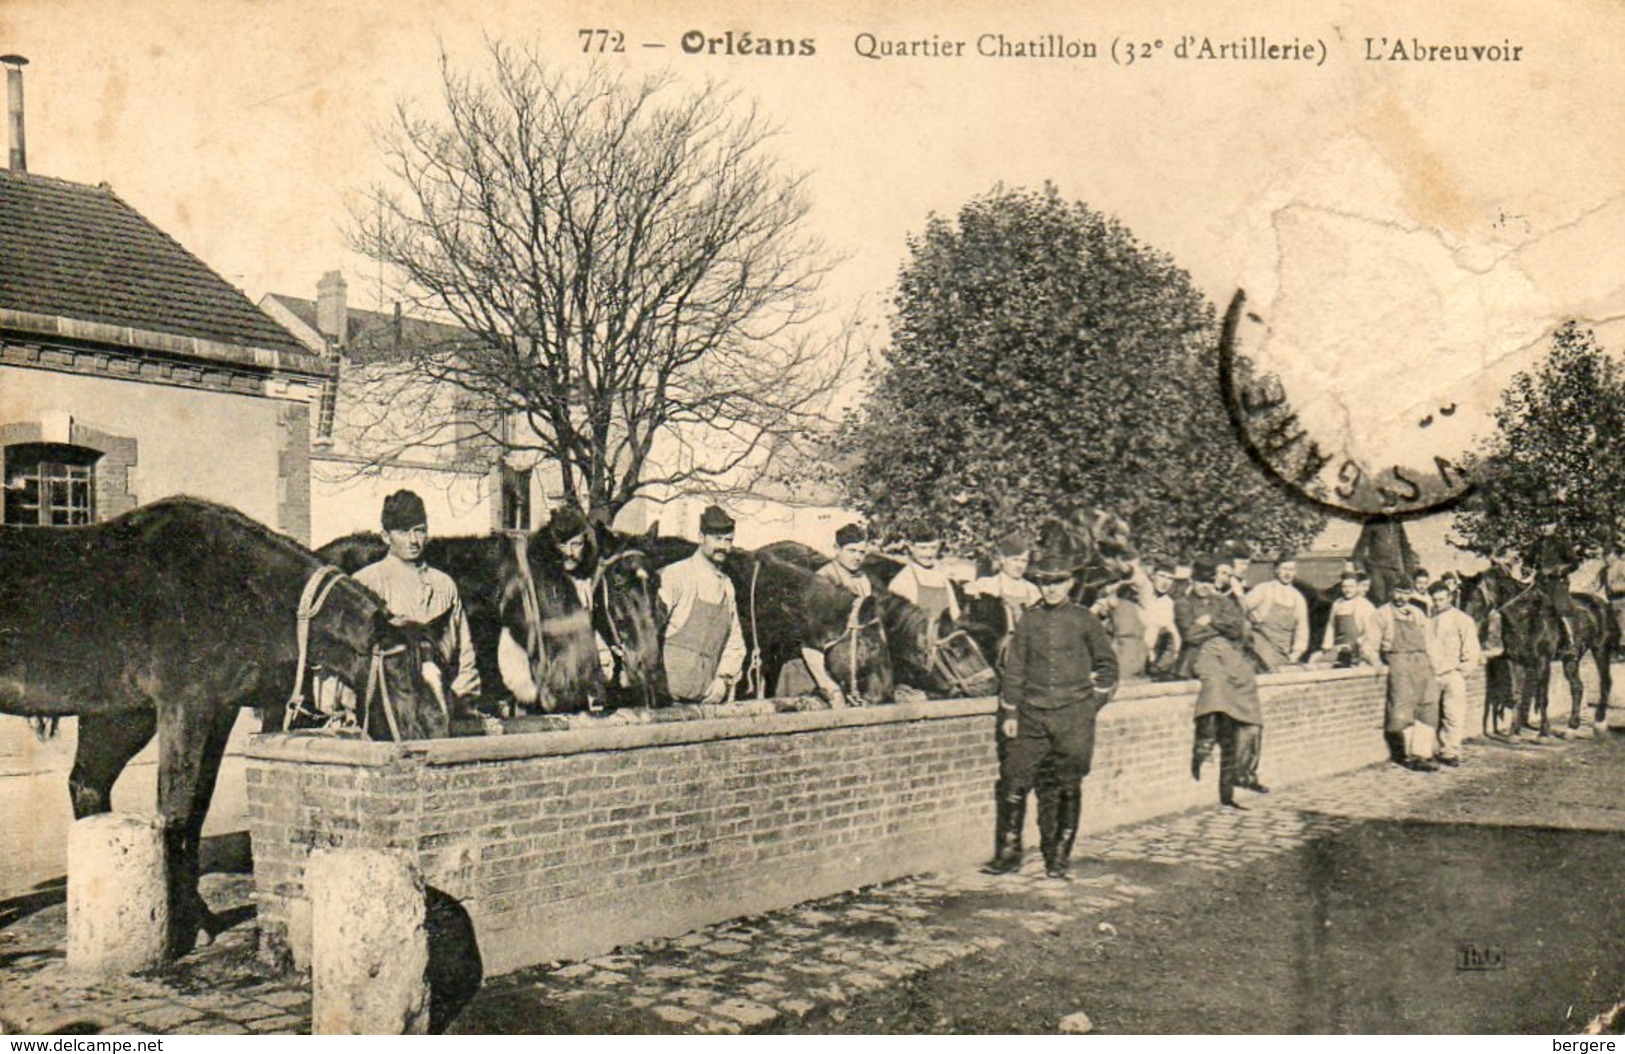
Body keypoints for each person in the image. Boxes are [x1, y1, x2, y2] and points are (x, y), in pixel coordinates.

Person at [982, 533, 1118, 880]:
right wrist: (1011, 712)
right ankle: (1008, 854)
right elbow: (1015, 670)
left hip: (1074, 718)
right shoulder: (1029, 620)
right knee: (1013, 781)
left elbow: (1108, 668)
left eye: (1058, 582)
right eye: (1045, 583)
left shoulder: (1086, 620)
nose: (1051, 589)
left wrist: (1091, 705)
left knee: (1067, 784)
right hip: (1031, 716)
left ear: (1070, 583)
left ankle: (1058, 857)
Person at [354, 489, 481, 709]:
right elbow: (351, 656)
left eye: (419, 531)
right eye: (403, 532)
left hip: (442, 704)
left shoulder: (444, 585)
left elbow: (464, 654)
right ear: (385, 536)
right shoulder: (367, 582)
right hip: (386, 709)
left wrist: (461, 701)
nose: (413, 540)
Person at [1176, 556, 1267, 809]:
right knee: (1215, 688)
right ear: (1191, 581)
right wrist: (1218, 630)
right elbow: (1190, 635)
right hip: (1200, 655)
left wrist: (1212, 622)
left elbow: (1238, 629)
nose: (1204, 587)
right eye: (1200, 582)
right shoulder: (1182, 604)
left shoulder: (1222, 602)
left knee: (1247, 690)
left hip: (1229, 655)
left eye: (1208, 581)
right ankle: (1203, 743)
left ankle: (1244, 770)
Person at [659, 505, 746, 705]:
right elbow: (648, 632)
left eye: (728, 540)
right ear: (701, 537)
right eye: (717, 539)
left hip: (707, 700)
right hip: (667, 701)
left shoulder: (726, 586)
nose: (723, 546)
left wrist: (724, 680)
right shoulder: (675, 576)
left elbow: (734, 643)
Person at [784, 522, 873, 706]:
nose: (857, 557)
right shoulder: (823, 581)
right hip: (817, 673)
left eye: (861, 552)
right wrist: (829, 687)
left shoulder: (863, 580)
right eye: (851, 550)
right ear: (836, 548)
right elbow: (810, 644)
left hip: (849, 672)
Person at [546, 504, 616, 682]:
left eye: (576, 544)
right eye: (562, 545)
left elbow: (590, 631)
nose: (569, 553)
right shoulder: (540, 585)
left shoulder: (584, 584)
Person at [1377, 583, 1440, 771]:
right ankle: (1407, 755)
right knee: (1403, 707)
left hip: (1421, 661)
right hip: (1399, 660)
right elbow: (1370, 644)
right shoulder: (1382, 614)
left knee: (1428, 706)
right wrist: (1378, 665)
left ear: (1410, 594)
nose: (1401, 597)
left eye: (1405, 593)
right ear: (1391, 592)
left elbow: (1429, 641)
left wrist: (1434, 665)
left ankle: (1422, 754)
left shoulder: (1418, 613)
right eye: (1397, 592)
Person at [964, 532, 1042, 668]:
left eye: (1024, 561)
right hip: (994, 656)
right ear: (1002, 559)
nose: (1019, 566)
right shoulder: (986, 585)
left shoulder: (1033, 590)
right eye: (1015, 560)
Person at [1429, 578, 1481, 767]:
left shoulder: (1462, 620)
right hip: (1434, 674)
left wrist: (1461, 671)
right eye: (1435, 600)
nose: (1438, 603)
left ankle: (1451, 751)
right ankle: (1434, 749)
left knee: (1453, 714)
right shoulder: (1430, 621)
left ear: (1449, 598)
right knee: (1432, 714)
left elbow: (1472, 649)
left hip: (1452, 674)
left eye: (1441, 599)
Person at [1244, 554, 1310, 669]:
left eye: (1291, 570)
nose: (1287, 573)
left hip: (1282, 651)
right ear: (1276, 570)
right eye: (1284, 569)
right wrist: (1250, 618)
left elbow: (1302, 630)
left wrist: (1296, 653)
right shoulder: (1263, 589)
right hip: (1260, 646)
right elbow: (1241, 607)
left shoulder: (1298, 598)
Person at [1531, 527, 1578, 657]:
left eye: (1548, 523)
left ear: (1555, 525)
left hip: (1558, 583)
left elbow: (1574, 563)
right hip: (1541, 583)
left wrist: (1556, 570)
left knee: (1560, 609)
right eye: (1541, 524)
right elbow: (1528, 561)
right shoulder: (1536, 544)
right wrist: (1526, 567)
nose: (1544, 527)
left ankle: (1570, 643)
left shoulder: (1562, 543)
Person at [1321, 569, 1381, 666]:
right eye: (1344, 587)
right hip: (1339, 647)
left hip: (1358, 649)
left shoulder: (1365, 605)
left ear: (1357, 587)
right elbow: (1331, 626)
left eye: (1351, 587)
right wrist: (1327, 644)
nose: (1347, 590)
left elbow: (1370, 631)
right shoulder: (1337, 603)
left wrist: (1358, 644)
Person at [1140, 559, 1183, 678]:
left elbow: (1173, 635)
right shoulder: (1141, 596)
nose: (1165, 582)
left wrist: (1162, 663)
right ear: (1153, 576)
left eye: (1170, 578)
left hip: (1154, 658)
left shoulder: (1168, 603)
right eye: (1162, 576)